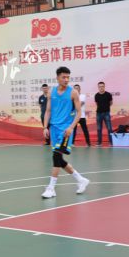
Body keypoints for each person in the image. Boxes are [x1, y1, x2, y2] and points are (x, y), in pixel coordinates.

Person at [41, 67, 90, 199]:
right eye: (63, 77)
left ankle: (51, 188)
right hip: (54, 128)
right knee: (59, 159)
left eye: (68, 77)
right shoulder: (51, 92)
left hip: (66, 130)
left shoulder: (73, 92)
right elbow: (48, 111)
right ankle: (81, 180)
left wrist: (71, 128)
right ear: (57, 78)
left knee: (56, 156)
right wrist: (45, 127)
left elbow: (79, 113)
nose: (66, 79)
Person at [94, 82, 113, 146]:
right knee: (99, 128)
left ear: (104, 87)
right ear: (98, 87)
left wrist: (106, 108)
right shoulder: (96, 95)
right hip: (98, 114)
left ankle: (111, 142)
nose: (101, 88)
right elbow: (97, 104)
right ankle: (99, 142)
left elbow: (111, 103)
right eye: (100, 86)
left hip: (106, 113)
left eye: (102, 86)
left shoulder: (108, 94)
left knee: (109, 128)